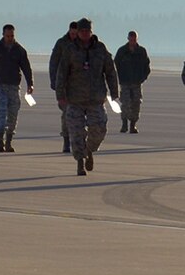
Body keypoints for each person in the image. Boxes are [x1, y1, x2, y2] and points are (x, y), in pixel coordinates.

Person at [54, 18, 118, 176]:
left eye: (87, 31)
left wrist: (115, 92)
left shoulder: (100, 49)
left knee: (99, 130)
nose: (84, 34)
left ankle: (89, 150)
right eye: (81, 31)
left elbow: (110, 71)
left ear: (91, 32)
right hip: (74, 99)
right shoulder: (70, 49)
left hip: (95, 98)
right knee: (76, 133)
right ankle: (80, 162)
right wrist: (60, 95)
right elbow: (61, 73)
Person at [0, 24, 33, 152]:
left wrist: (30, 83)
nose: (10, 38)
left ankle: (9, 141)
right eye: (7, 36)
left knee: (13, 115)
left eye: (12, 36)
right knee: (2, 113)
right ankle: (0, 138)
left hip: (14, 87)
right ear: (3, 35)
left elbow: (26, 68)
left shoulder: (19, 50)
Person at [114, 30, 151, 133]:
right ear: (128, 39)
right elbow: (115, 65)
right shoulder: (122, 51)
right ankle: (124, 124)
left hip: (136, 82)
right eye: (131, 40)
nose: (132, 42)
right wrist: (120, 77)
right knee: (125, 103)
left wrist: (142, 78)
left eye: (134, 40)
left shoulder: (141, 51)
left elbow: (147, 66)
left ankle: (133, 125)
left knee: (136, 104)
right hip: (125, 82)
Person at [47, 23, 74, 153]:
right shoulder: (62, 43)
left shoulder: (86, 45)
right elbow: (54, 63)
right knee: (67, 114)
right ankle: (67, 141)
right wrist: (55, 83)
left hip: (82, 86)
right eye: (72, 33)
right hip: (64, 86)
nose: (74, 36)